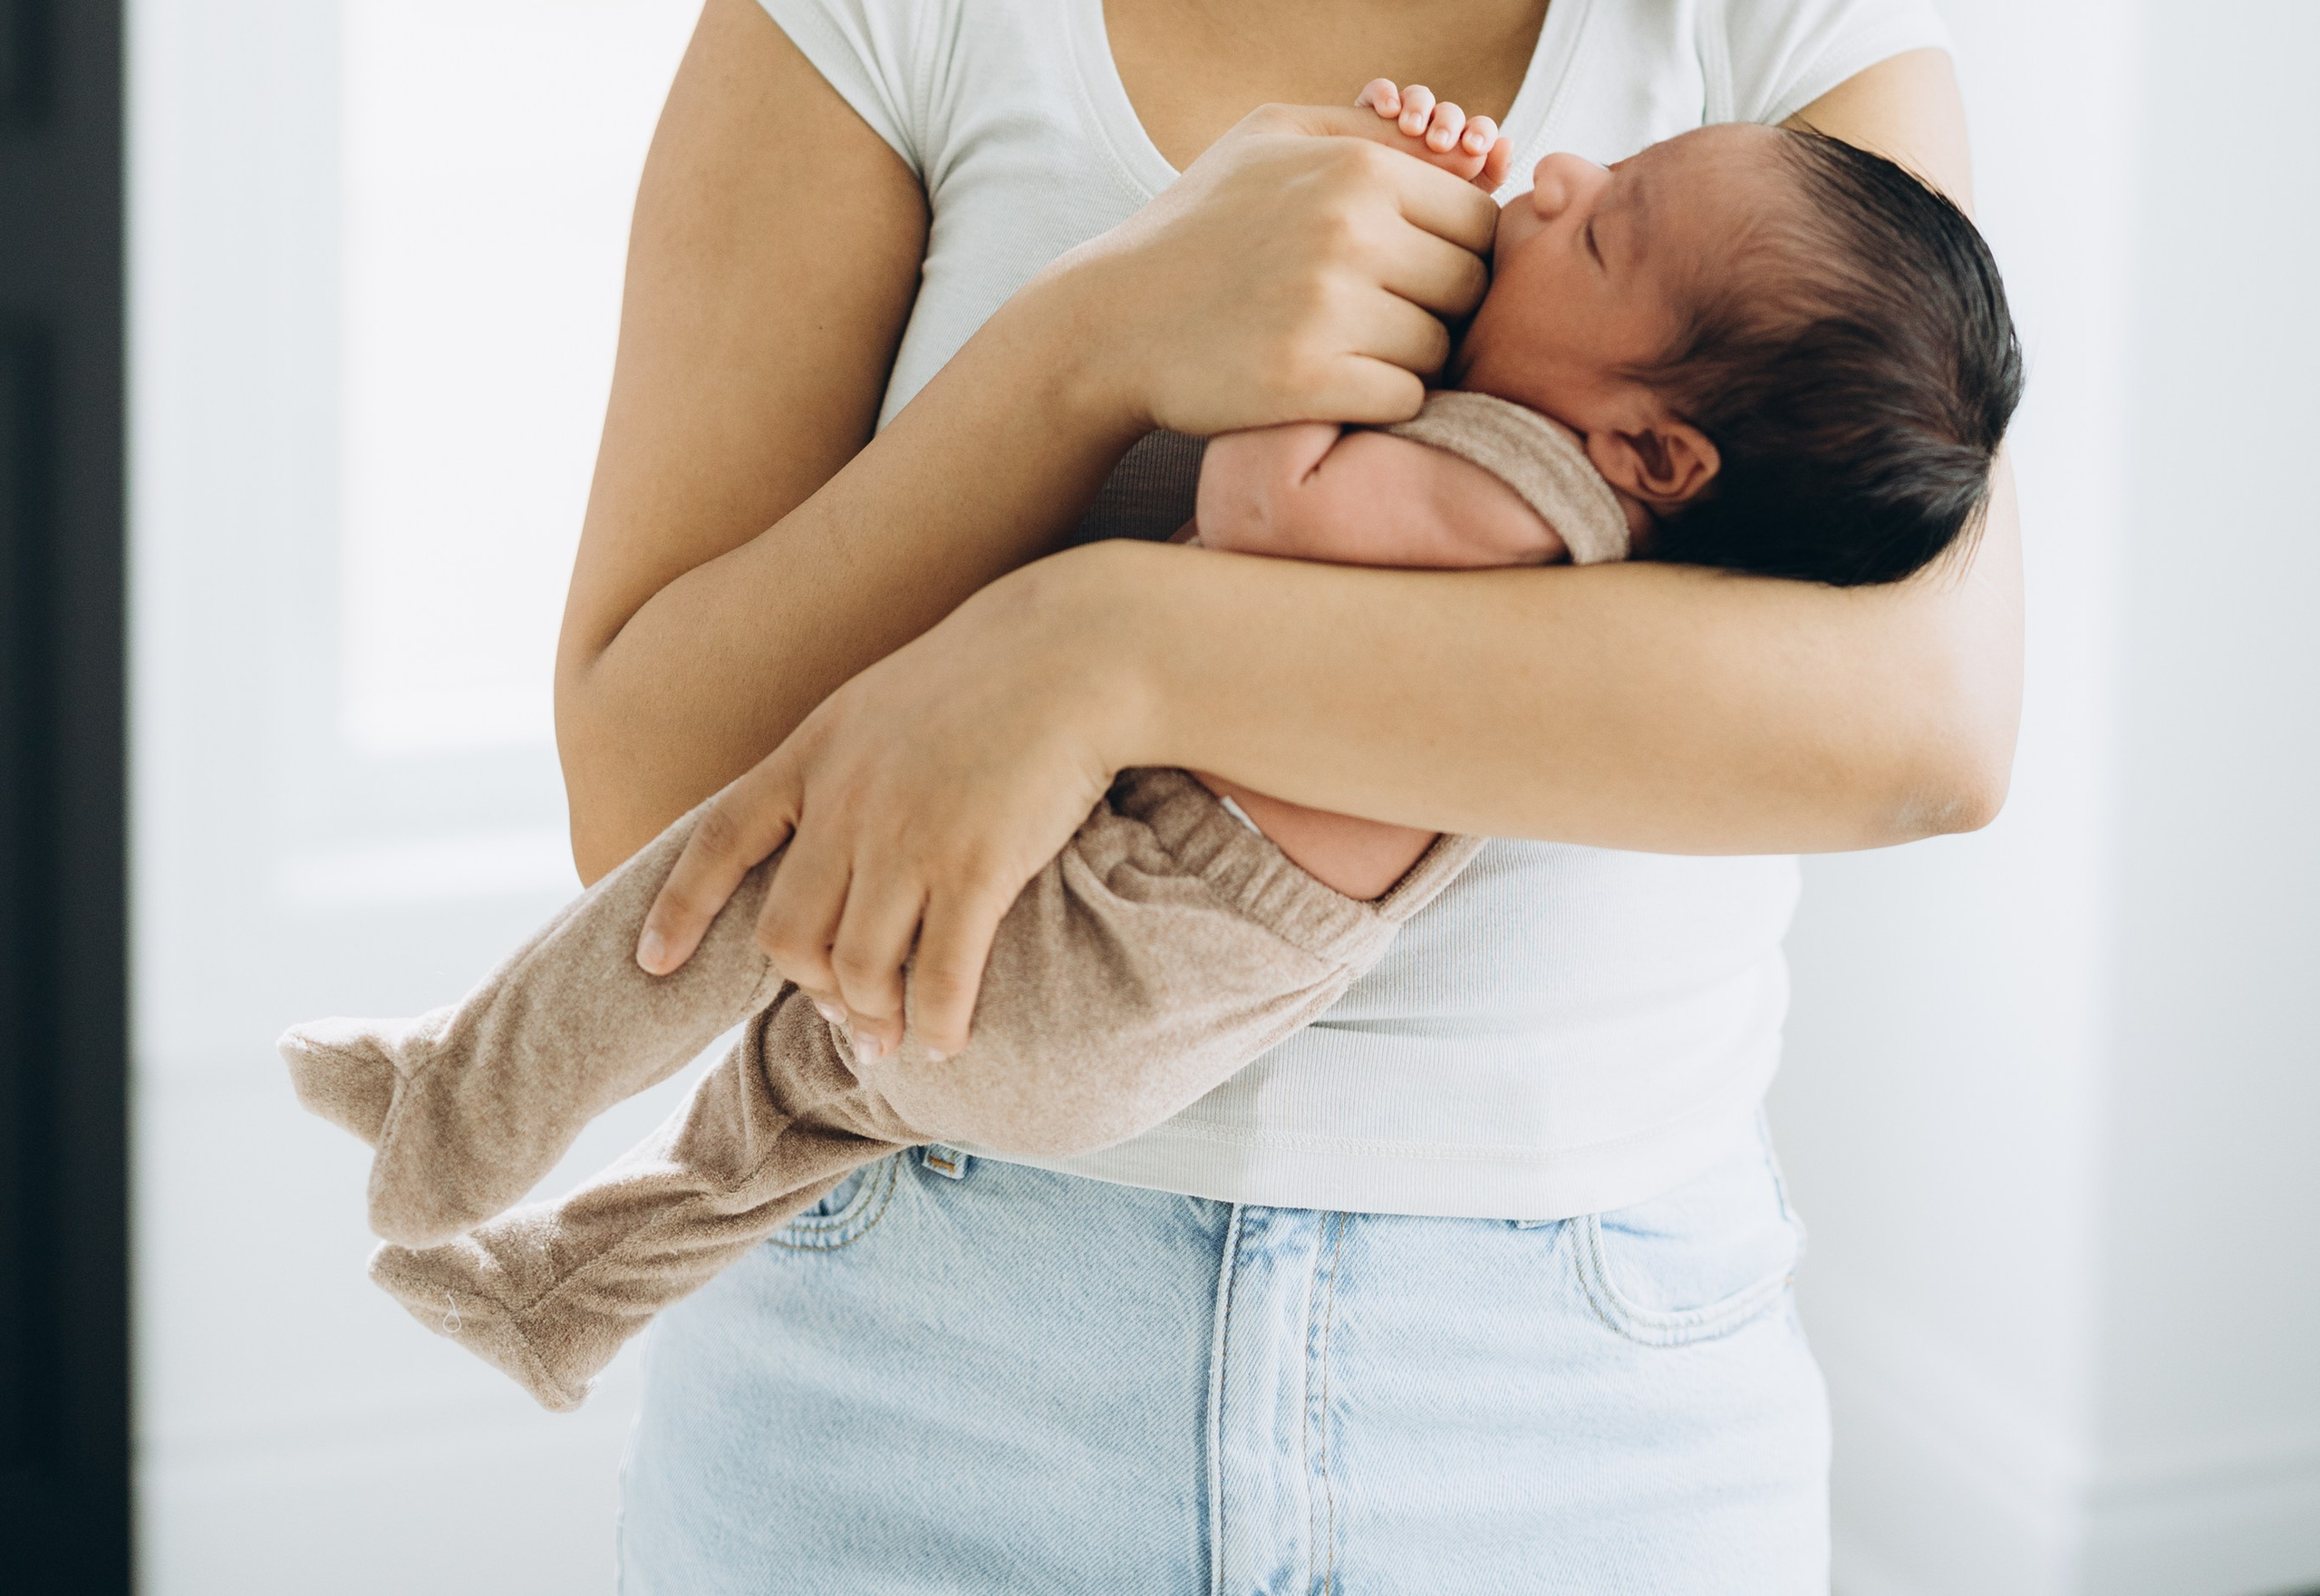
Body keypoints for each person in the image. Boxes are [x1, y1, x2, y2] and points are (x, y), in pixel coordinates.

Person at [553, 0, 2019, 1591]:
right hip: (915, 1351)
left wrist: (1115, 644)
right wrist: (1094, 348)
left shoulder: (1794, 45)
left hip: (1580, 1405)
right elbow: (644, 798)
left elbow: (1910, 726)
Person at [282, 91, 2019, 1419]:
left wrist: (1277, 311)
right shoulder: (1574, 526)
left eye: (1606, 236)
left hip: (1097, 930)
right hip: (1101, 1020)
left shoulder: (1515, 499)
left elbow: (1269, 502)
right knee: (789, 1109)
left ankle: (460, 1099)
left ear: (1653, 450)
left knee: (731, 870)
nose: (1557, 181)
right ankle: (559, 1299)